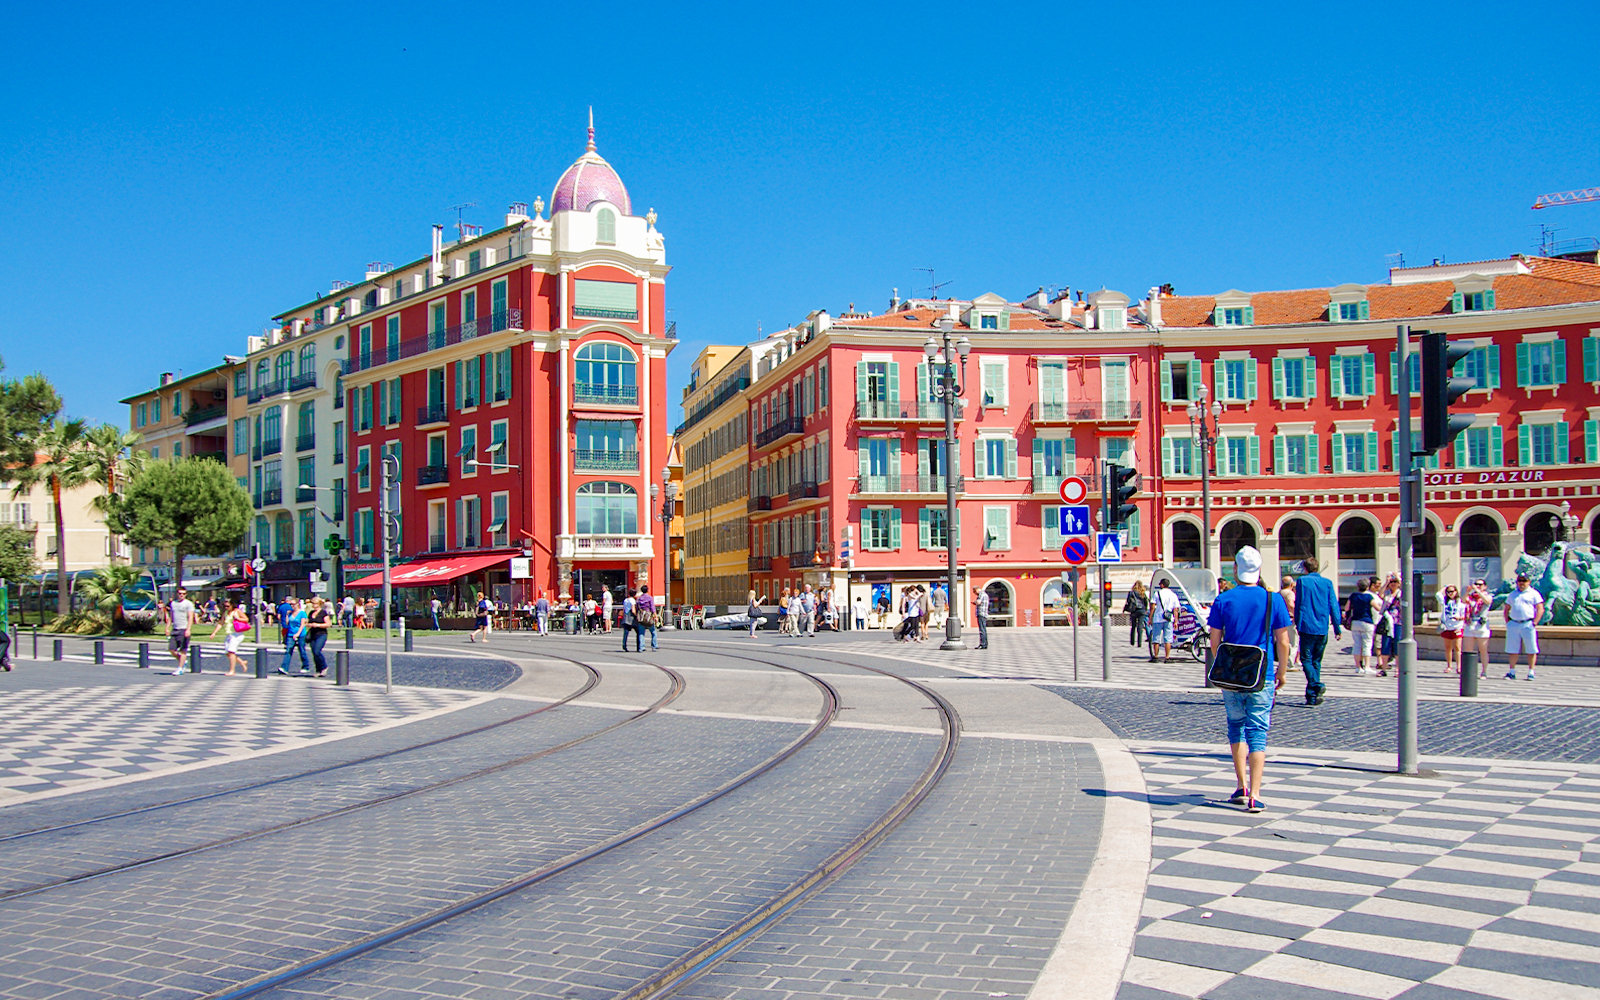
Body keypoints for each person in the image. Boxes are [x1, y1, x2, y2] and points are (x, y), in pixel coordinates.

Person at [1207, 546, 1293, 814]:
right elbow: (1284, 641)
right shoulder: (1273, 600)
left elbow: (1214, 641)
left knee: (1236, 726)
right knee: (1258, 731)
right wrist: (1282, 672)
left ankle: (1241, 785)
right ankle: (1255, 794)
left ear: (1235, 570)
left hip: (1232, 676)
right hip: (1262, 675)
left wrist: (1227, 664)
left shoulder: (1224, 599)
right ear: (1259, 570)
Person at [1291, 558, 1341, 706]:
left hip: (1307, 625)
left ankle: (1315, 684)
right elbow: (1333, 605)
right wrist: (1337, 626)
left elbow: (1299, 603)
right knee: (1316, 661)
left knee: (1306, 659)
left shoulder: (1302, 581)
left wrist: (1298, 623)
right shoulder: (1327, 583)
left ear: (1305, 569)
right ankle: (1312, 696)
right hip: (1322, 626)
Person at [1504, 573, 1545, 681]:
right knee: (1512, 649)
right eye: (1520, 581)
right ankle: (1512, 671)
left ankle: (1531, 671)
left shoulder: (1534, 593)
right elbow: (1507, 608)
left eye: (1524, 581)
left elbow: (1540, 608)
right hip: (1514, 623)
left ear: (1529, 582)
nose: (1521, 583)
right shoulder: (1512, 594)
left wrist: (1535, 622)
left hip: (1528, 623)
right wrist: (1508, 622)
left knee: (1531, 649)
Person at [1345, 578, 1378, 675]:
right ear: (1368, 587)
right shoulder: (1369, 597)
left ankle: (1358, 667)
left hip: (1355, 622)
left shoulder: (1353, 596)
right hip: (1367, 621)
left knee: (1357, 644)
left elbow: (1347, 608)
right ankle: (1367, 666)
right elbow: (1377, 607)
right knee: (1367, 644)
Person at [1463, 578, 1493, 678]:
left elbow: (1487, 601)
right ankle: (1469, 671)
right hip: (1470, 624)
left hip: (1481, 625)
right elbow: (1463, 600)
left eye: (1480, 584)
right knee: (1468, 649)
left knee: (1483, 649)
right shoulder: (1471, 597)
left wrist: (1478, 591)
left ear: (1485, 586)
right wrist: (1467, 592)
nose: (1478, 586)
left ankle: (1484, 671)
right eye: (1476, 584)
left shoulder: (1487, 596)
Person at [1374, 575, 1402, 677]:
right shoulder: (1387, 593)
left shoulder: (1401, 594)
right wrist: (1386, 582)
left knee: (1397, 645)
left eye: (1395, 582)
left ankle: (1398, 669)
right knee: (1385, 644)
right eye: (1392, 582)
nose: (1393, 584)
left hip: (1398, 621)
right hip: (1387, 621)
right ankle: (1384, 668)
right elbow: (1380, 594)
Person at [167, 588, 198, 675]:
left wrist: (188, 629)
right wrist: (167, 627)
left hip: (183, 629)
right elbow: (171, 616)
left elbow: (190, 617)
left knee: (183, 650)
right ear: (177, 594)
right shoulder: (173, 603)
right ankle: (183, 661)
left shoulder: (188, 604)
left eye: (183, 594)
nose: (181, 595)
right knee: (171, 649)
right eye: (180, 593)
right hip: (175, 629)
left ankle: (180, 668)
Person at [1147, 580, 1179, 662]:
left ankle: (1156, 656)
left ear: (1162, 585)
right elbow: (1176, 609)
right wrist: (1176, 621)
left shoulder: (1157, 594)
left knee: (1156, 638)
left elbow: (1152, 607)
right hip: (1168, 618)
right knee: (1168, 638)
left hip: (1158, 618)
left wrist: (1150, 618)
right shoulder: (1173, 595)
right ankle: (1167, 657)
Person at [1437, 584, 1465, 675]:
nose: (1450, 593)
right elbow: (1438, 594)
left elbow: (1465, 616)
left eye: (1452, 591)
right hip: (1447, 627)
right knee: (1448, 647)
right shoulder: (1445, 602)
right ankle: (1449, 665)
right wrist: (1445, 587)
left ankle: (1459, 666)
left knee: (1457, 647)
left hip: (1457, 626)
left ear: (1456, 592)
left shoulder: (1460, 603)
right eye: (1448, 592)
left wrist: (1459, 618)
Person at [278, 598, 311, 676]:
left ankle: (305, 666)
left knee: (302, 650)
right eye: (291, 604)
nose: (292, 606)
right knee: (288, 650)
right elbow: (287, 623)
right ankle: (284, 668)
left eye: (293, 604)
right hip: (290, 633)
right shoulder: (290, 613)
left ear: (297, 604)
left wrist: (298, 633)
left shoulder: (302, 613)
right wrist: (286, 615)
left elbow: (303, 624)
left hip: (300, 634)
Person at [306, 596, 331, 677]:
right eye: (313, 603)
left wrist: (318, 625)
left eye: (315, 603)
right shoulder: (311, 613)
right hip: (312, 634)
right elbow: (307, 622)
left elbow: (328, 624)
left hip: (321, 634)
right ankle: (318, 669)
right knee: (314, 653)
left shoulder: (323, 613)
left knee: (317, 651)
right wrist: (309, 624)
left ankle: (324, 667)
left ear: (319, 604)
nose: (314, 605)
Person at [223, 602, 251, 675]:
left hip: (236, 634)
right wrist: (214, 633)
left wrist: (238, 618)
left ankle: (232, 670)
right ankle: (242, 662)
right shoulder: (226, 613)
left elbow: (246, 619)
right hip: (229, 634)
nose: (226, 608)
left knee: (231, 652)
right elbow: (221, 622)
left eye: (228, 606)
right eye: (225, 606)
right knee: (227, 653)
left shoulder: (237, 611)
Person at [1124, 581, 1149, 648]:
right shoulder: (1143, 593)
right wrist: (1145, 610)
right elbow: (1146, 601)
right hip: (1142, 611)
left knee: (1133, 626)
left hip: (1134, 610)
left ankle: (1132, 641)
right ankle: (1139, 643)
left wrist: (1124, 610)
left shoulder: (1131, 593)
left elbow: (1128, 602)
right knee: (1140, 627)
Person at [637, 584, 659, 650]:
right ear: (647, 590)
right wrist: (655, 616)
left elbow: (637, 608)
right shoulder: (650, 598)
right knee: (653, 632)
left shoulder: (639, 599)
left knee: (641, 633)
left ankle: (641, 647)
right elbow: (653, 608)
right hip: (648, 616)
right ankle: (654, 645)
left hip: (641, 617)